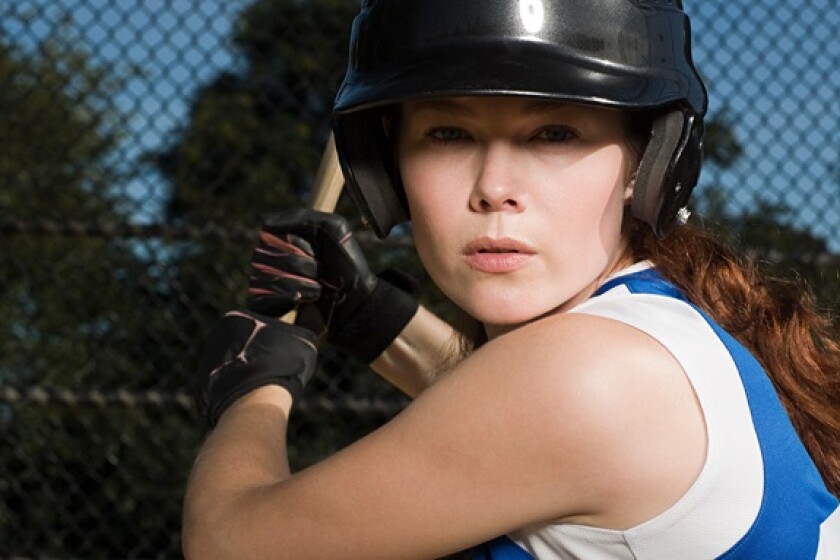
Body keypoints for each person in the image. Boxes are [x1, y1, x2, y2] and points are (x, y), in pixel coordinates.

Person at [182, 1, 840, 558]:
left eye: (554, 133)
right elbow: (515, 430)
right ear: (388, 164)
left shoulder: (586, 374)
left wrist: (252, 390)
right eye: (448, 134)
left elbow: (230, 542)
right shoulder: (652, 332)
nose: (495, 189)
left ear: (648, 161)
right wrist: (372, 318)